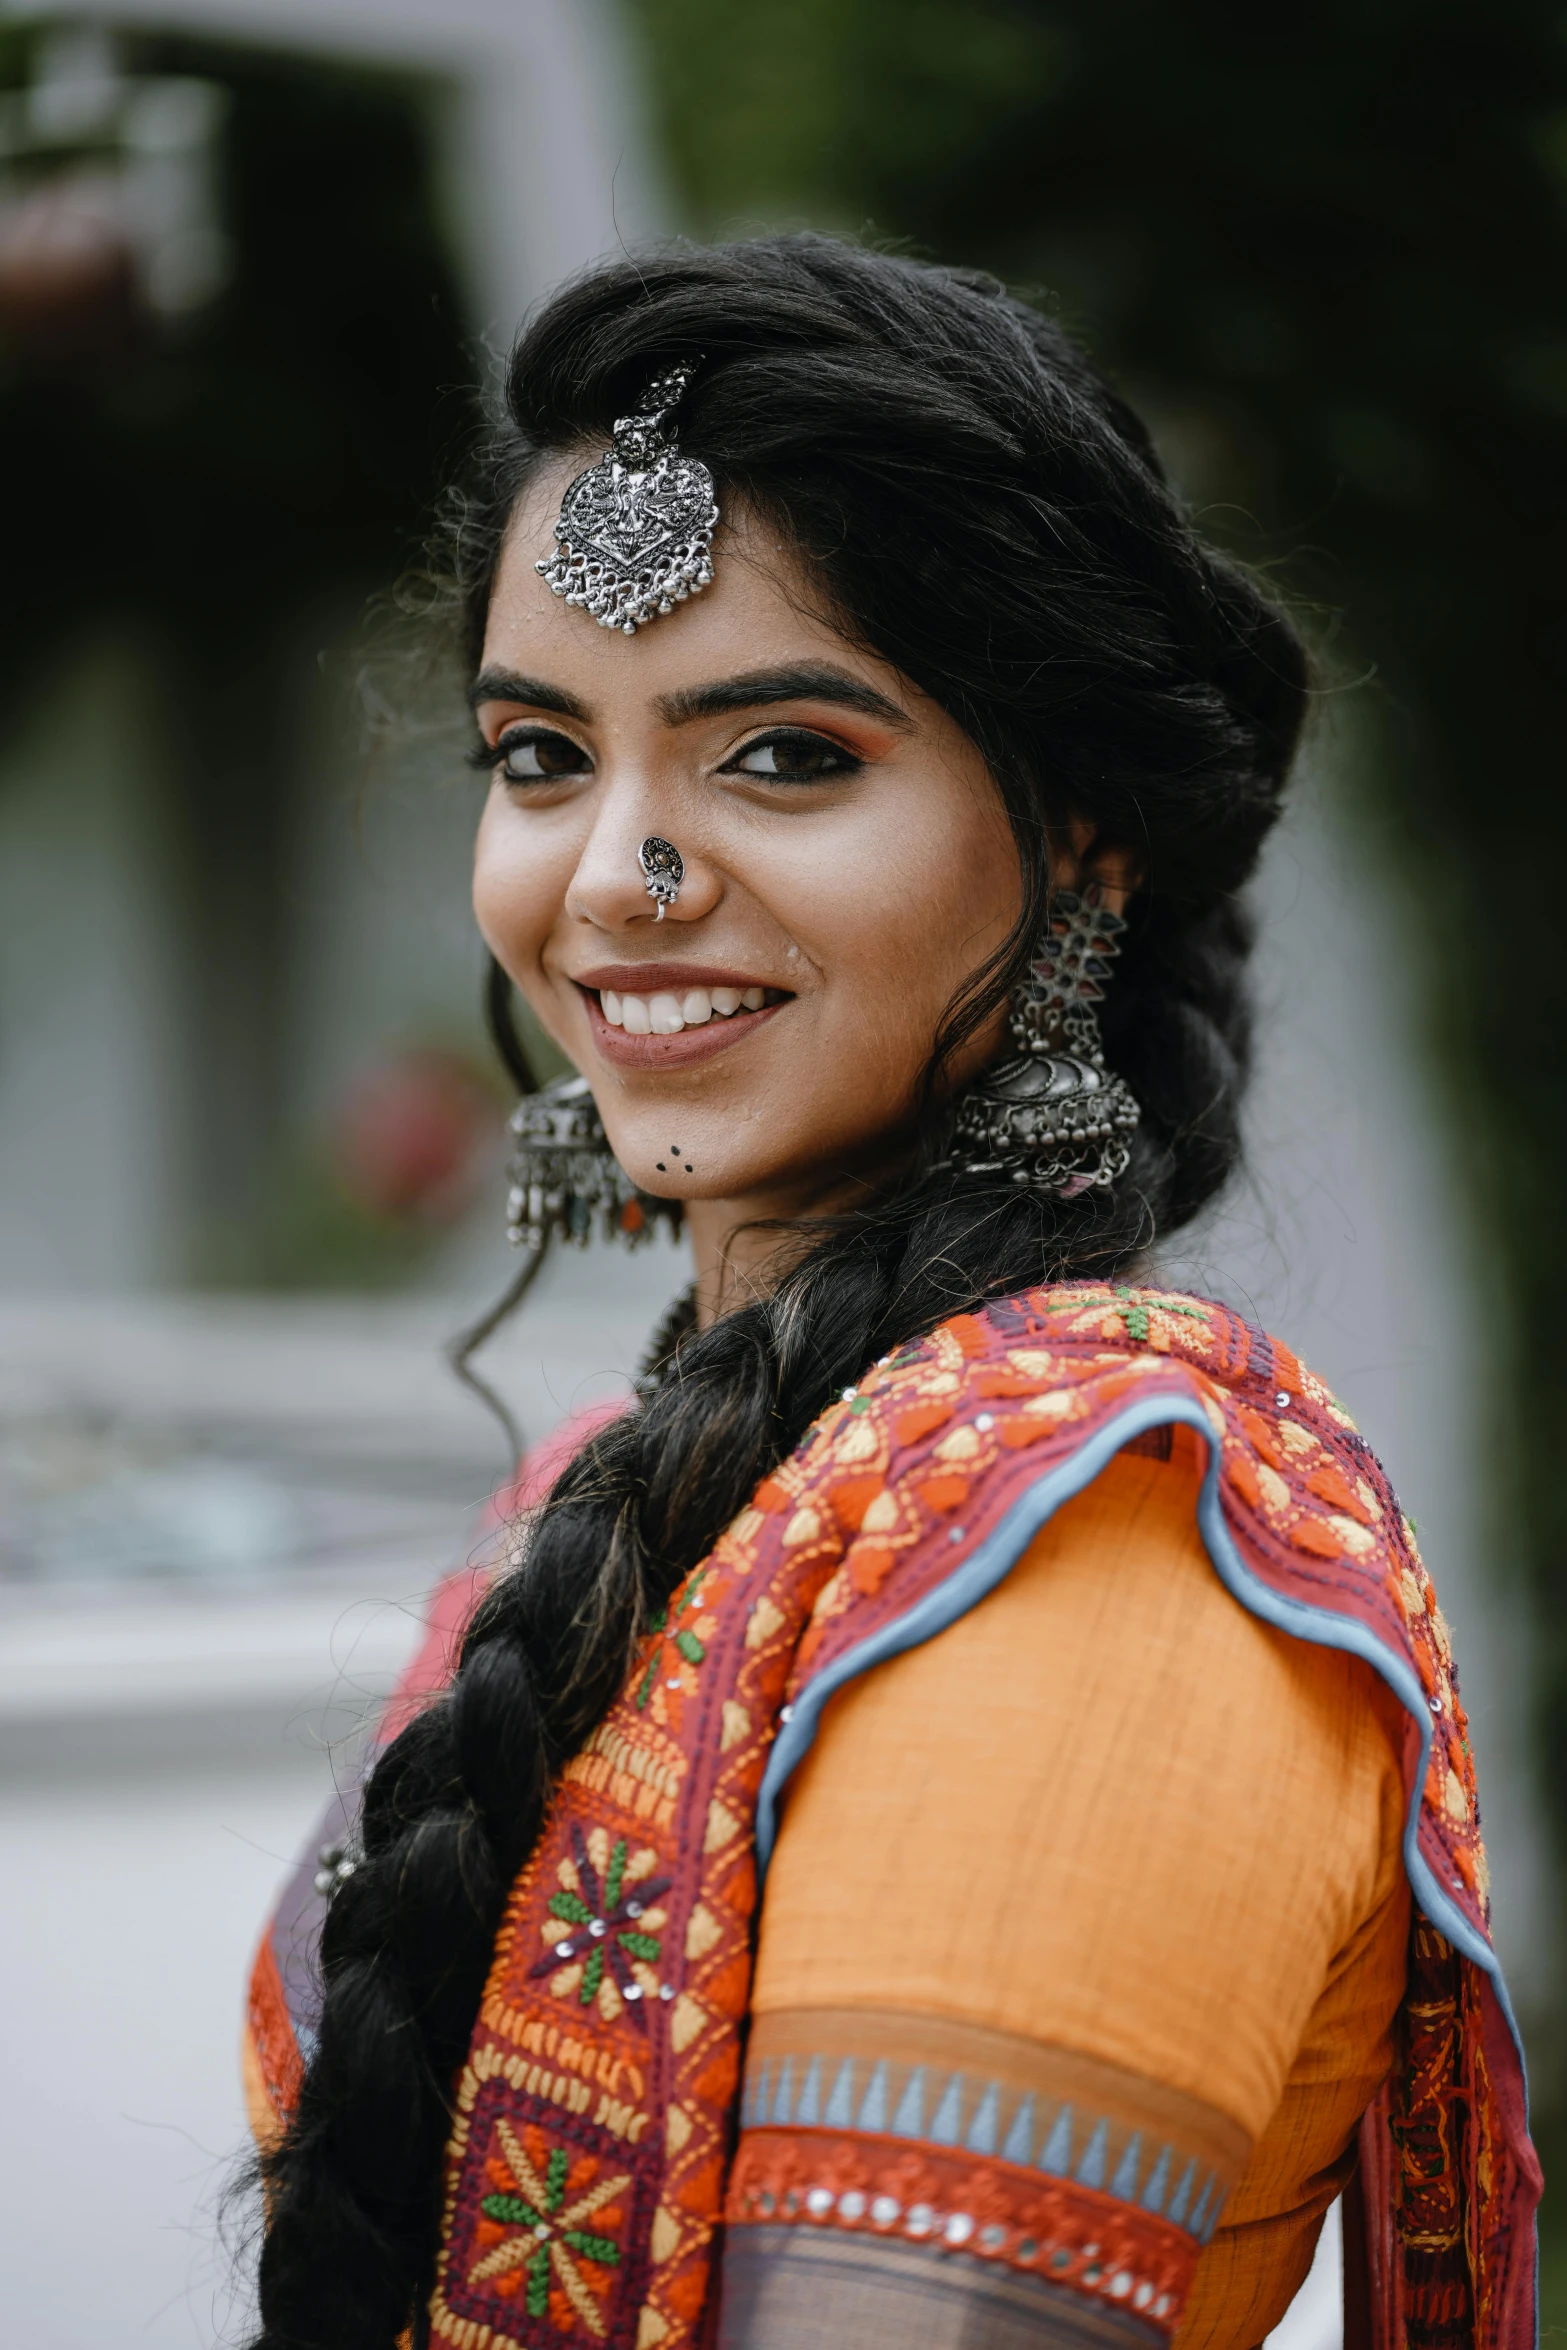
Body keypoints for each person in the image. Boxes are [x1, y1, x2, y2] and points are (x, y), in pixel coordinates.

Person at [242, 237, 1538, 2350]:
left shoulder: (1096, 1557)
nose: (613, 878)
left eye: (783, 757)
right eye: (546, 754)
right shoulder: (639, 1475)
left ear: (1087, 839)